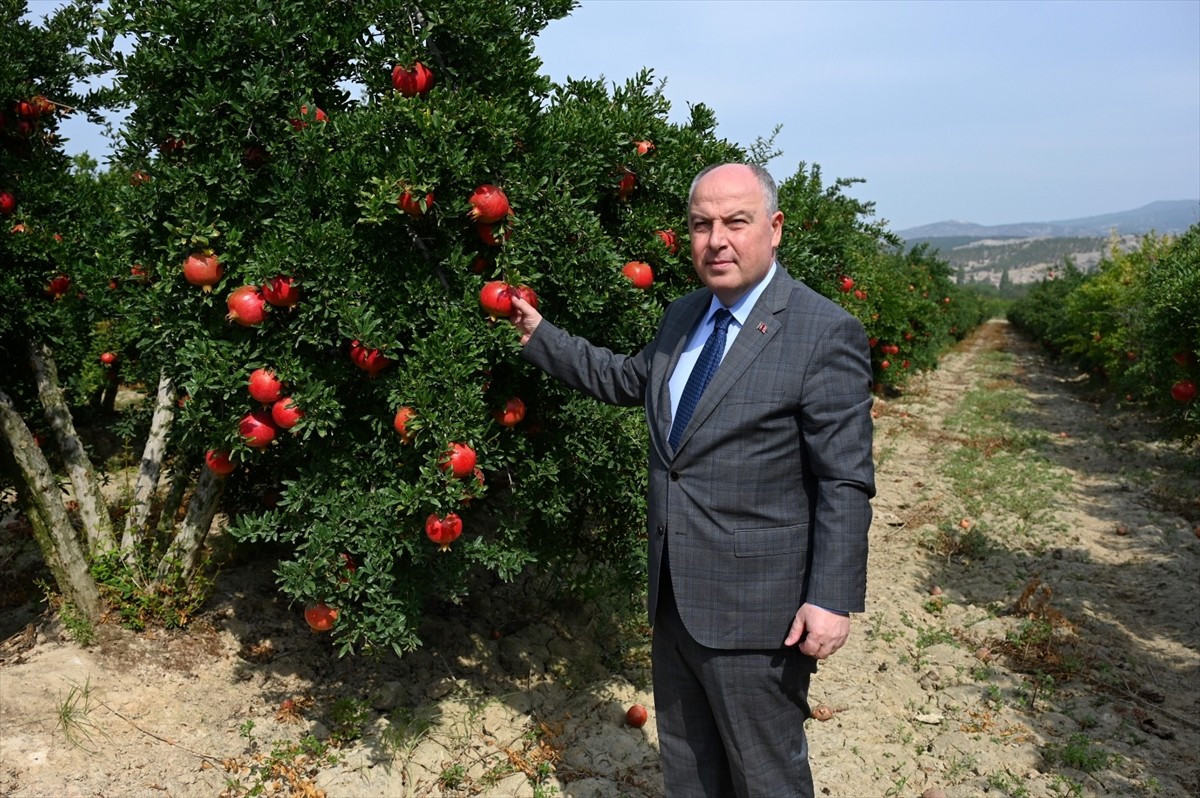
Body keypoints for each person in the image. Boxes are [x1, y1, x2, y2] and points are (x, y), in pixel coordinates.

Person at [507, 162, 875, 797]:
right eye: (702, 225)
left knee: (765, 774)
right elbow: (626, 379)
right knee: (689, 766)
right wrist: (541, 336)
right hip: (676, 595)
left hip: (759, 610)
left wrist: (831, 597)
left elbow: (844, 479)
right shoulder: (684, 315)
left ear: (774, 228)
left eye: (736, 222)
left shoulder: (822, 331)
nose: (717, 240)